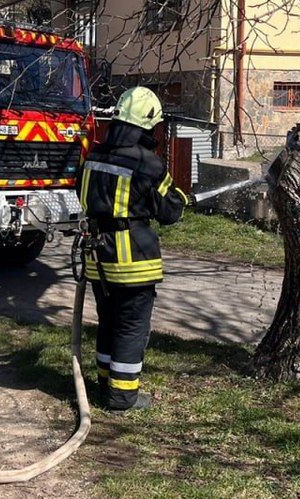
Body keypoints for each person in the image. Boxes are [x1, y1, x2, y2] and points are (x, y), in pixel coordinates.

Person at [77, 87, 188, 411]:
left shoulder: (94, 155)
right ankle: (122, 397)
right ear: (149, 125)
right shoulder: (148, 163)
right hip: (133, 262)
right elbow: (170, 212)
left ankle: (104, 384)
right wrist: (180, 199)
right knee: (131, 327)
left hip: (98, 258)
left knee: (108, 322)